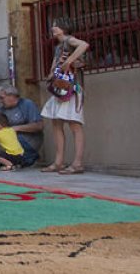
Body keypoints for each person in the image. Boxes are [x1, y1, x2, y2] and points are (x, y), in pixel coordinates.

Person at [40, 18, 89, 174]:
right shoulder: (59, 46)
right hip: (61, 88)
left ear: (64, 28)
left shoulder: (69, 40)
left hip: (72, 88)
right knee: (57, 123)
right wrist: (52, 73)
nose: (53, 28)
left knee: (74, 124)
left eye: (56, 26)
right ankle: (59, 161)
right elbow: (56, 65)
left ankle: (77, 163)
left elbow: (84, 45)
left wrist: (69, 61)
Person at [0, 84, 43, 167]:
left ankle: (26, 157)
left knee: (5, 135)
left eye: (2, 98)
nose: (0, 101)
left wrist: (15, 128)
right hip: (13, 139)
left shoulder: (27, 104)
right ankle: (5, 158)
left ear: (12, 96)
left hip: (28, 140)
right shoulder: (3, 107)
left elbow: (39, 126)